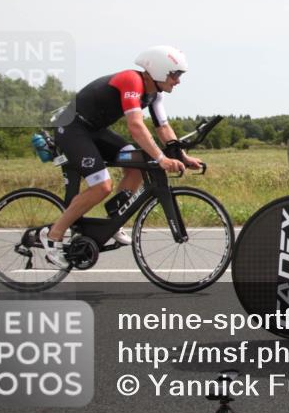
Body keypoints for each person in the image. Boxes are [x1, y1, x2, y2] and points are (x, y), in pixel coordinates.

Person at [40, 45, 202, 268]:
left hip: (95, 131)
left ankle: (114, 220)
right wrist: (161, 159)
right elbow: (135, 126)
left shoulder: (154, 94)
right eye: (175, 75)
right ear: (159, 70)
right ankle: (53, 236)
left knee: (137, 164)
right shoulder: (131, 81)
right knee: (102, 186)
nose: (178, 81)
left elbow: (163, 128)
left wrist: (182, 156)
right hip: (72, 129)